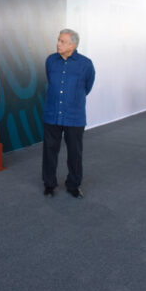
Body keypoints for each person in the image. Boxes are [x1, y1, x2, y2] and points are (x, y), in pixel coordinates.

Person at [42, 29, 95, 198]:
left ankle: (73, 185)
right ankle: (49, 184)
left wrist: (72, 100)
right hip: (52, 114)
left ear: (73, 45)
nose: (58, 44)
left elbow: (87, 87)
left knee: (75, 153)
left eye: (62, 41)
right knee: (49, 151)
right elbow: (51, 81)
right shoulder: (51, 61)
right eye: (58, 40)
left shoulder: (86, 64)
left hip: (74, 116)